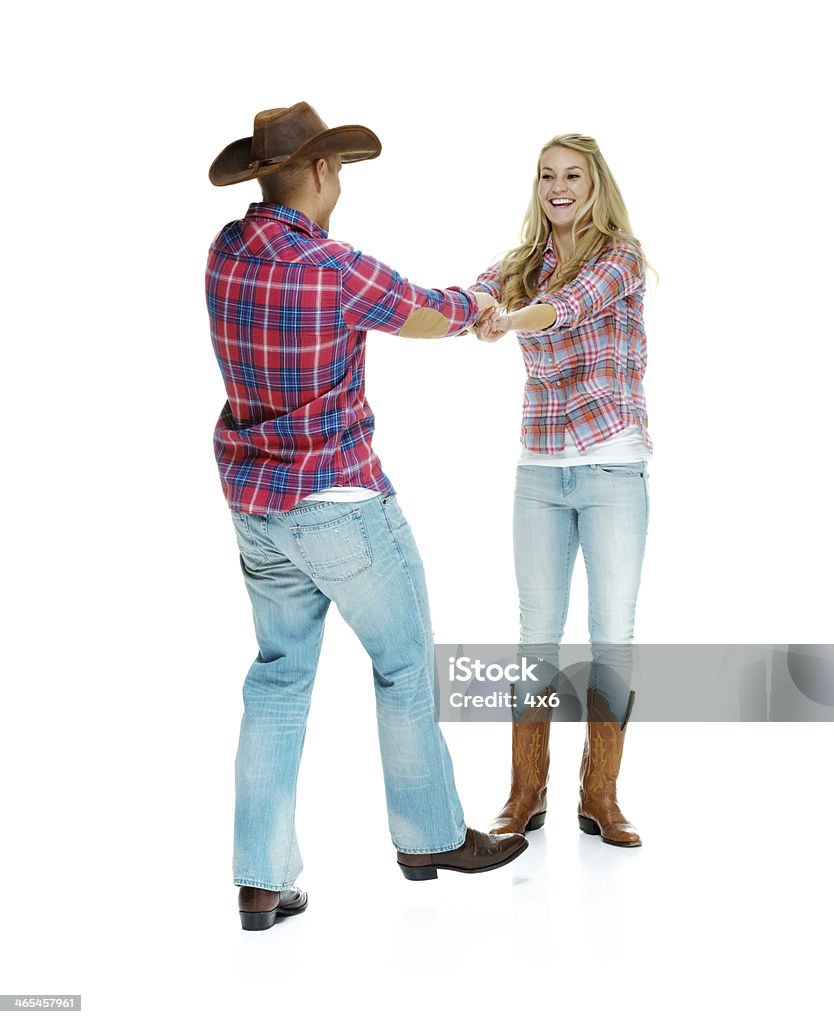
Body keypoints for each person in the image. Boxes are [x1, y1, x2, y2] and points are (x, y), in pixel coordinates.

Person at [205, 103, 527, 930]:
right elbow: (429, 311)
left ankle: (260, 882)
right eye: (338, 169)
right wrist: (486, 299)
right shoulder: (333, 267)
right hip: (341, 505)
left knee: (277, 679)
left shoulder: (226, 253)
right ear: (319, 172)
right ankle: (430, 840)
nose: (338, 181)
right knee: (405, 665)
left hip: (255, 508)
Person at [471, 134, 651, 847]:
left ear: (594, 183)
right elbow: (480, 288)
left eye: (572, 174)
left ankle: (600, 796)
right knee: (535, 640)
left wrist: (508, 318)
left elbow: (569, 307)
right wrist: (475, 305)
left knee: (613, 638)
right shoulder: (523, 262)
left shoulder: (620, 256)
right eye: (547, 175)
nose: (558, 186)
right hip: (540, 472)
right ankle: (525, 793)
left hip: (613, 469)